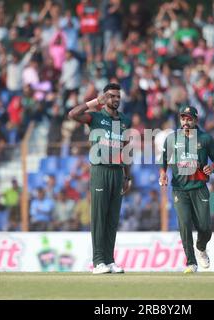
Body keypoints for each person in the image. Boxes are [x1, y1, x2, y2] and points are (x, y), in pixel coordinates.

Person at [68, 82, 131, 274]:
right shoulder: (95, 117)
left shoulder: (124, 121)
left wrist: (127, 177)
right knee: (99, 217)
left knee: (112, 218)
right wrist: (94, 101)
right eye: (112, 96)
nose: (116, 99)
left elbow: (126, 149)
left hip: (117, 172)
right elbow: (72, 114)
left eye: (118, 96)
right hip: (100, 171)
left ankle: (110, 260)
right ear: (105, 98)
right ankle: (98, 262)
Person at [159, 105, 214, 273]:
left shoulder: (205, 138)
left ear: (195, 120)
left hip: (199, 187)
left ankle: (201, 248)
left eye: (189, 119)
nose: (185, 122)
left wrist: (213, 166)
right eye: (183, 118)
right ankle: (190, 262)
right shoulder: (172, 138)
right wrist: (163, 173)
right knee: (185, 224)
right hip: (180, 189)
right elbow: (163, 159)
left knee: (205, 227)